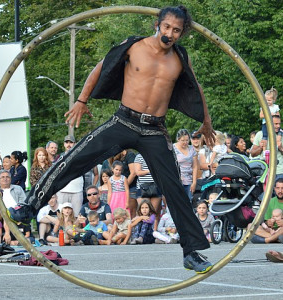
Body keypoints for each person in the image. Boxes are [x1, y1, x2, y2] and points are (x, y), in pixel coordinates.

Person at [18, 5, 215, 273]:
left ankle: (191, 252)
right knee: (74, 159)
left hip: (155, 130)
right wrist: (81, 100)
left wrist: (206, 122)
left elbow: (196, 87)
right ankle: (30, 206)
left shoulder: (180, 58)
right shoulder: (134, 46)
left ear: (182, 33)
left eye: (177, 30)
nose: (170, 33)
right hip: (123, 120)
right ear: (156, 24)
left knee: (175, 189)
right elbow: (101, 67)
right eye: (167, 27)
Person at [102, 150, 138, 218]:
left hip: (123, 196)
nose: (118, 171)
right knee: (113, 212)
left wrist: (127, 202)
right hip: (114, 198)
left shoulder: (123, 178)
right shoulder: (110, 180)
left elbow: (127, 190)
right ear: (112, 169)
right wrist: (108, 203)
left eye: (120, 170)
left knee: (126, 213)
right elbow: (109, 192)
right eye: (116, 169)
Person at [56, 135, 84, 217]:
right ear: (64, 144)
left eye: (71, 142)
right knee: (61, 215)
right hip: (62, 189)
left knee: (76, 215)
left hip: (77, 189)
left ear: (75, 144)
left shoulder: (80, 156)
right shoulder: (59, 157)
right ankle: (62, 230)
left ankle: (74, 230)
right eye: (67, 142)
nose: (69, 144)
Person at [250, 179, 283, 243]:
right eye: (278, 188)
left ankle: (267, 240)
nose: (280, 191)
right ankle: (276, 239)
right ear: (274, 189)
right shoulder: (270, 201)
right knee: (250, 226)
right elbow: (265, 223)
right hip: (272, 231)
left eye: (282, 188)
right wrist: (268, 222)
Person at [250, 115, 283, 180]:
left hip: (280, 172)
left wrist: (281, 148)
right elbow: (253, 154)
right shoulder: (260, 134)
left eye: (279, 124)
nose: (278, 126)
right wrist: (260, 147)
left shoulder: (281, 135)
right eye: (276, 124)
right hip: (266, 172)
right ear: (269, 123)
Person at [134, 153, 162, 219]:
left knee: (153, 212)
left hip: (156, 186)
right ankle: (142, 228)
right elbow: (138, 172)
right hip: (143, 187)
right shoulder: (139, 156)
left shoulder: (157, 155)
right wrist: (150, 170)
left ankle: (152, 228)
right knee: (142, 211)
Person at [173, 129, 198, 200]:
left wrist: (194, 182)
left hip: (189, 180)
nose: (185, 142)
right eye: (183, 140)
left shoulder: (192, 149)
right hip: (177, 180)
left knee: (188, 201)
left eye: (187, 140)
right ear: (178, 139)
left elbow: (195, 167)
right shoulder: (172, 149)